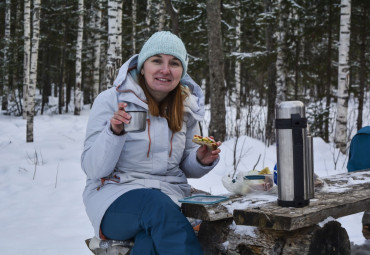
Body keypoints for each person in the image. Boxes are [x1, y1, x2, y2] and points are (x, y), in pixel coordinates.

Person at [81, 31, 222, 255]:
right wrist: (114, 132)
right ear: (143, 65)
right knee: (154, 205)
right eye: (157, 61)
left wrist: (199, 159)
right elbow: (93, 169)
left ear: (182, 71)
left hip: (168, 198)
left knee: (149, 243)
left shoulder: (185, 107)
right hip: (113, 198)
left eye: (174, 63)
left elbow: (185, 164)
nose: (165, 70)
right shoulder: (112, 100)